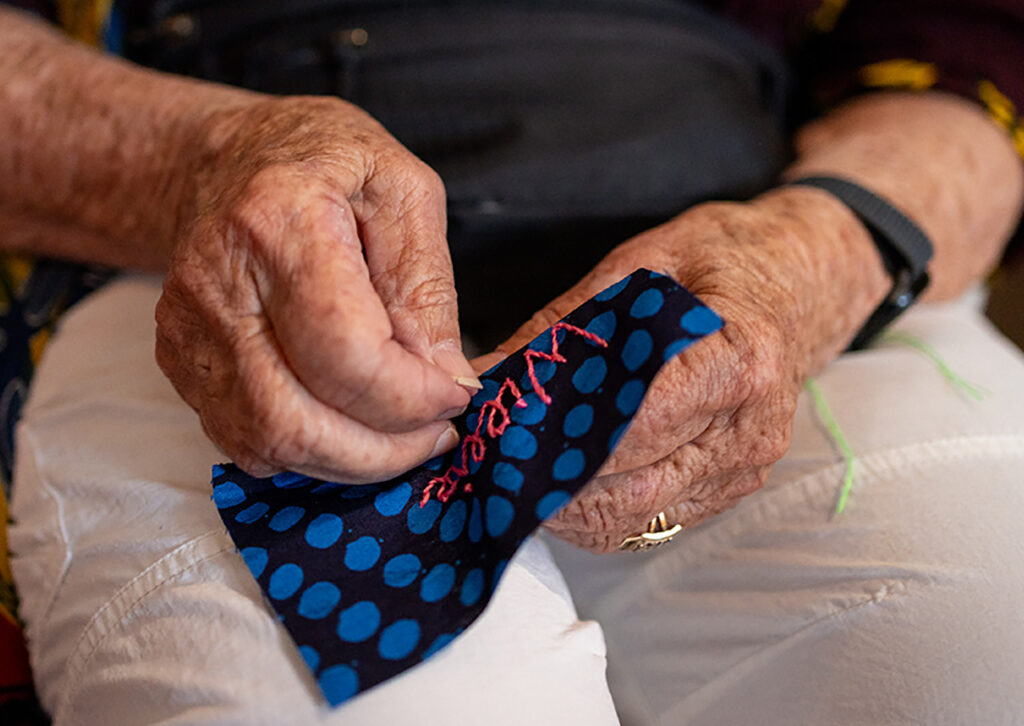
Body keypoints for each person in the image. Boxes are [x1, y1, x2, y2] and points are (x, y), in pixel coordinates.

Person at [2, 1, 1023, 724]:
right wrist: (204, 159)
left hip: (785, 255)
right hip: (222, 256)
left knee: (974, 638)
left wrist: (820, 252)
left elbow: (974, 47)